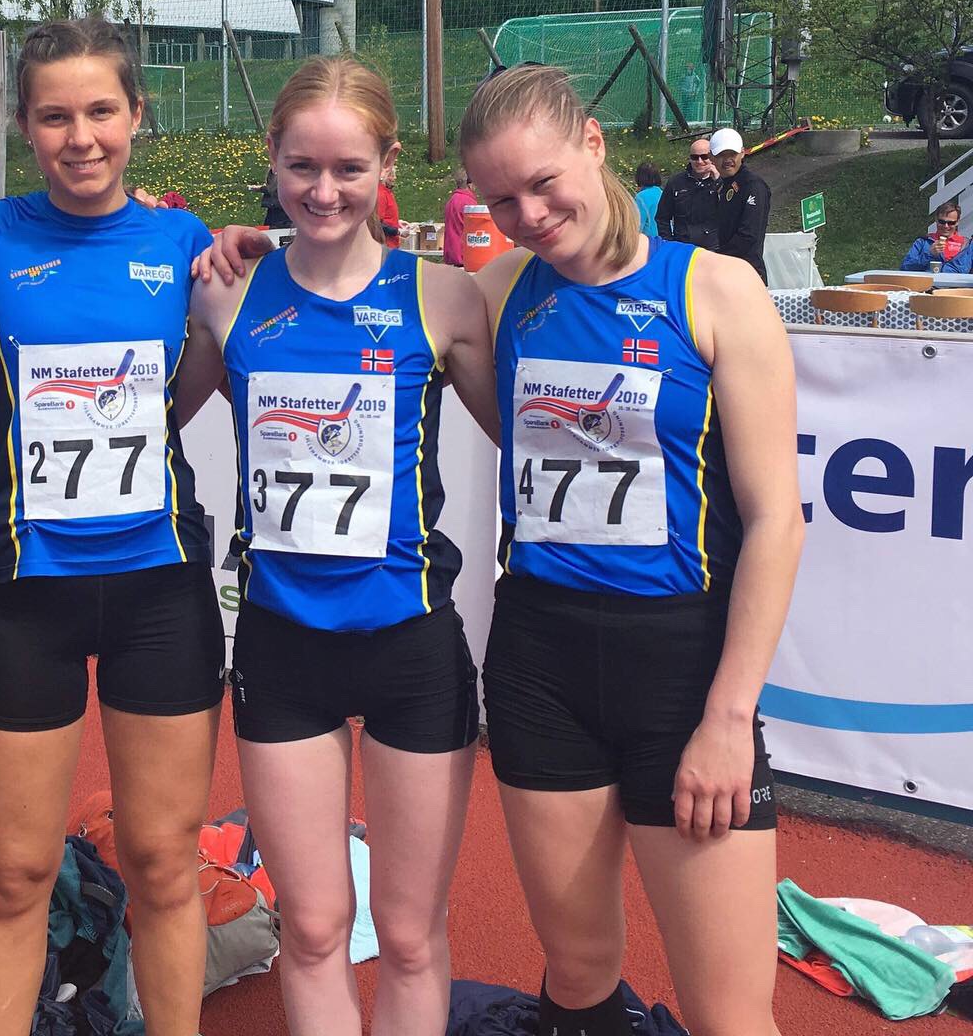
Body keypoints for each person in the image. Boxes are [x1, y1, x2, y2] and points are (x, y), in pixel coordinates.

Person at [462, 65, 802, 1036]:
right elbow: (352, 284)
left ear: (595, 142)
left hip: (682, 673)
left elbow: (777, 521)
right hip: (540, 663)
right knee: (576, 977)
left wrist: (729, 717)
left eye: (543, 183)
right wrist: (222, 248)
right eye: (500, 200)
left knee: (729, 1013)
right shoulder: (500, 289)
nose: (528, 216)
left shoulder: (717, 289)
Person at [179, 55, 500, 1036]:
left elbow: (535, 434)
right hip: (282, 651)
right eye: (303, 167)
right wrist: (6, 439)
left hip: (412, 647)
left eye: (350, 169)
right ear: (270, 161)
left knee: (408, 936)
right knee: (315, 928)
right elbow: (146, 421)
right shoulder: (227, 297)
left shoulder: (443, 300)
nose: (324, 191)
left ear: (388, 164)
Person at [0, 19, 226, 1036]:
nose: (81, 136)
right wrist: (11, 404)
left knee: (163, 864)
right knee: (15, 874)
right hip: (26, 593)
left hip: (160, 588)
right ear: (25, 125)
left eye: (102, 110)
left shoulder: (180, 243)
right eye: (54, 116)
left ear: (138, 115)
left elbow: (203, 368)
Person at [711, 127, 772, 284]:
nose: (727, 160)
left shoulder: (753, 185)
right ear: (712, 157)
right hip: (726, 271)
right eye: (721, 155)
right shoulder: (723, 185)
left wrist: (715, 258)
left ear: (742, 153)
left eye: (732, 154)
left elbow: (749, 236)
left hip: (747, 274)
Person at [654, 136, 720, 249]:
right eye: (695, 157)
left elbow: (732, 213)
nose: (699, 161)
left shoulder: (724, 182)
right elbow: (662, 218)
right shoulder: (676, 182)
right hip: (683, 247)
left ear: (712, 157)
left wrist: (719, 182)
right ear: (689, 159)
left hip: (713, 249)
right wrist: (669, 244)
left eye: (704, 157)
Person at [900, 201, 972, 273]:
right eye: (942, 222)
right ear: (936, 220)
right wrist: (929, 254)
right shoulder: (923, 242)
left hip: (957, 281)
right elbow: (905, 267)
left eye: (951, 223)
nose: (946, 226)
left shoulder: (968, 245)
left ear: (957, 222)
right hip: (928, 280)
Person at [443, 167, 478, 267]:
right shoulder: (469, 202)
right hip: (463, 255)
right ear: (469, 184)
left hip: (451, 253)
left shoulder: (452, 200)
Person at [633, 161, 662, 238]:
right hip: (663, 237)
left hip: (648, 238)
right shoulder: (661, 192)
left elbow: (638, 223)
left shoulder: (641, 197)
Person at [377, 159, 401, 248]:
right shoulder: (380, 194)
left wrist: (399, 223)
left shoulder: (388, 192)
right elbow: (376, 224)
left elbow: (388, 217)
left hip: (393, 243)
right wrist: (397, 231)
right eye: (391, 175)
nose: (394, 178)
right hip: (386, 244)